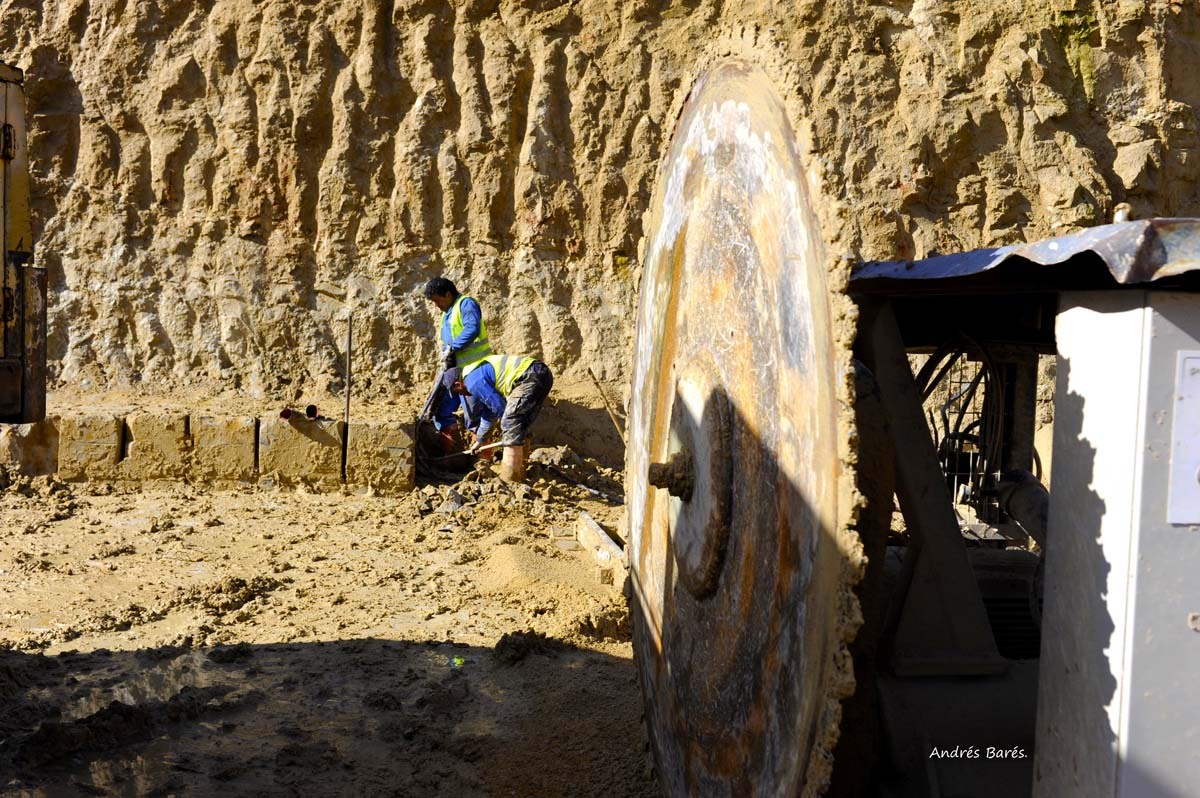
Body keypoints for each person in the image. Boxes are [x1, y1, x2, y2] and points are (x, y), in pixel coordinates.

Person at [443, 354, 554, 482]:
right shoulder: (475, 373)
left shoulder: (473, 382)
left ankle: (510, 478)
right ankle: (521, 468)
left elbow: (500, 407)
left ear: (458, 384)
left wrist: (509, 430)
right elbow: (490, 414)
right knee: (521, 423)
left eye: (457, 391)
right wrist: (480, 440)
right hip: (540, 374)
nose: (460, 395)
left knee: (511, 420)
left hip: (529, 377)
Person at [422, 277, 492, 433]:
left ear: (448, 294)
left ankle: (482, 453)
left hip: (475, 369)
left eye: (437, 300)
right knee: (440, 409)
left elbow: (472, 329)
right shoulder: (448, 312)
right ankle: (450, 450)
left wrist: (452, 347)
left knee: (474, 414)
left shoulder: (466, 304)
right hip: (454, 368)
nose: (436, 305)